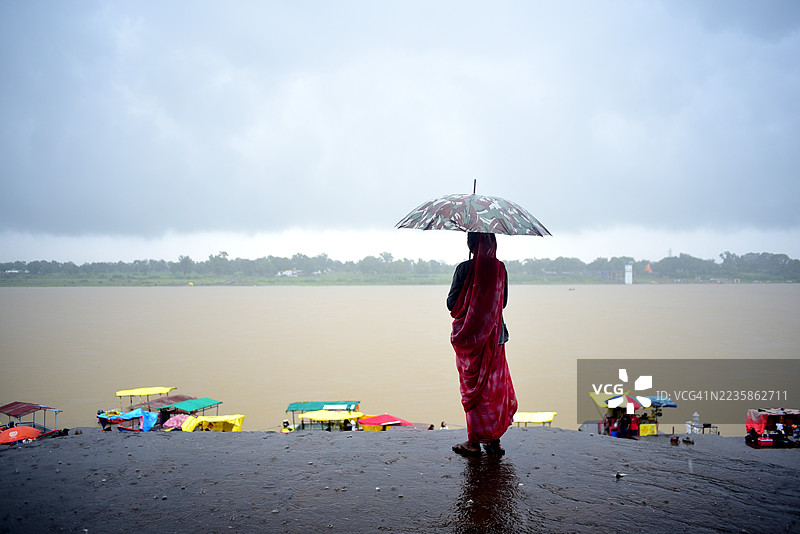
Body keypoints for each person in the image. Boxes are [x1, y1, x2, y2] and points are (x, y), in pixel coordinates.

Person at [447, 232, 517, 457]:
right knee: (494, 390)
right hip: (495, 336)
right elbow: (503, 302)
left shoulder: (463, 269)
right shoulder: (500, 269)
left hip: (470, 337)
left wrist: (471, 290)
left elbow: (451, 303)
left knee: (473, 390)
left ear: (471, 243)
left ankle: (473, 443)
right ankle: (494, 441)